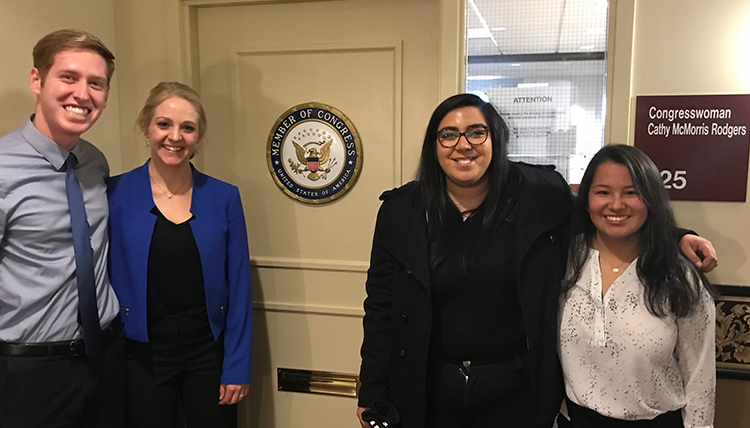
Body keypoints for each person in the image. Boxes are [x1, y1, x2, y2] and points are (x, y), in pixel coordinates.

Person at [356, 94, 717, 428]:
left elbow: (603, 219)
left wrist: (675, 236)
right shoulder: (401, 212)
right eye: (448, 134)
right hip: (428, 386)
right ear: (433, 146)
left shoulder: (539, 194)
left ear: (495, 139)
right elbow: (381, 306)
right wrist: (371, 391)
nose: (463, 144)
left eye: (476, 132)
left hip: (515, 391)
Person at [107, 82, 252, 427]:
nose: (175, 136)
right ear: (145, 127)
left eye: (187, 127)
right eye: (164, 124)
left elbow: (240, 286)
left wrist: (237, 364)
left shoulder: (224, 197)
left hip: (208, 352)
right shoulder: (113, 193)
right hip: (139, 355)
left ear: (199, 136)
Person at [0, 29, 124, 428]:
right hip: (30, 374)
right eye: (68, 77)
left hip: (106, 357)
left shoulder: (94, 162)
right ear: (37, 80)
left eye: (96, 83)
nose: (83, 94)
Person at [557, 144, 715, 428]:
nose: (616, 205)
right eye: (603, 192)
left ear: (651, 198)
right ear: (586, 198)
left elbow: (699, 377)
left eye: (631, 192)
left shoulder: (679, 275)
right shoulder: (564, 261)